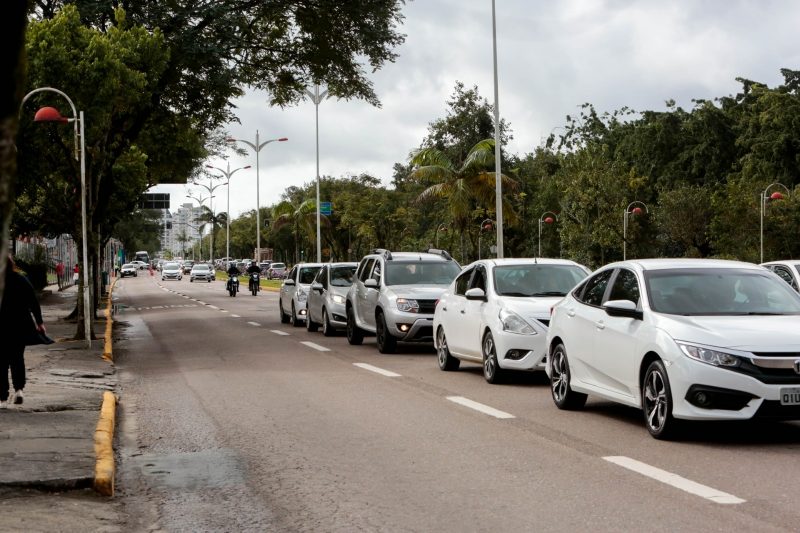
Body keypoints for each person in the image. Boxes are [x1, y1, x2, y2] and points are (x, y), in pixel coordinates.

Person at [0, 255, 46, 408]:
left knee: (1, 362)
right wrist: (39, 322)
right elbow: (33, 301)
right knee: (17, 359)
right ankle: (19, 390)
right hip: (19, 326)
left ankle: (2, 398)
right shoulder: (21, 279)